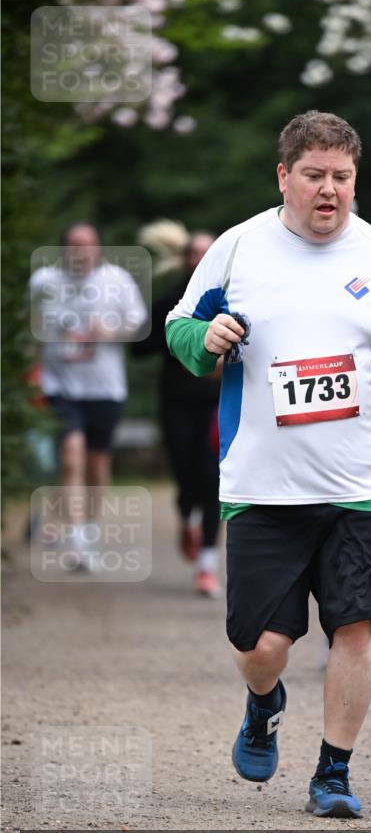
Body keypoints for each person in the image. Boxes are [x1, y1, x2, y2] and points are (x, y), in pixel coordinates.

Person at [165, 110, 371, 818]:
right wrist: (207, 336)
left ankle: (333, 773)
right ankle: (263, 702)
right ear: (283, 176)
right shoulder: (237, 249)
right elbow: (178, 327)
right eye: (315, 176)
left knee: (356, 629)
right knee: (260, 643)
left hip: (356, 481)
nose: (330, 191)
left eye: (343, 178)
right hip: (261, 481)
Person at [30, 222, 147, 567]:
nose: (81, 251)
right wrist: (30, 376)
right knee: (71, 454)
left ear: (98, 248)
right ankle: (77, 540)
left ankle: (89, 528)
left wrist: (112, 330)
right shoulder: (43, 283)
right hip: (58, 384)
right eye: (74, 245)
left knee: (97, 464)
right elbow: (29, 328)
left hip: (105, 387)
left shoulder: (117, 280)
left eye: (88, 245)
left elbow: (139, 325)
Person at [134, 225, 222, 598]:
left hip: (218, 401)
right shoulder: (170, 300)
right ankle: (187, 515)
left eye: (207, 252)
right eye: (194, 253)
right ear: (186, 259)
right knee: (186, 477)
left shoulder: (230, 299)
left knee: (212, 478)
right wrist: (179, 339)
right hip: (176, 401)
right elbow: (139, 348)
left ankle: (206, 565)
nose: (200, 259)